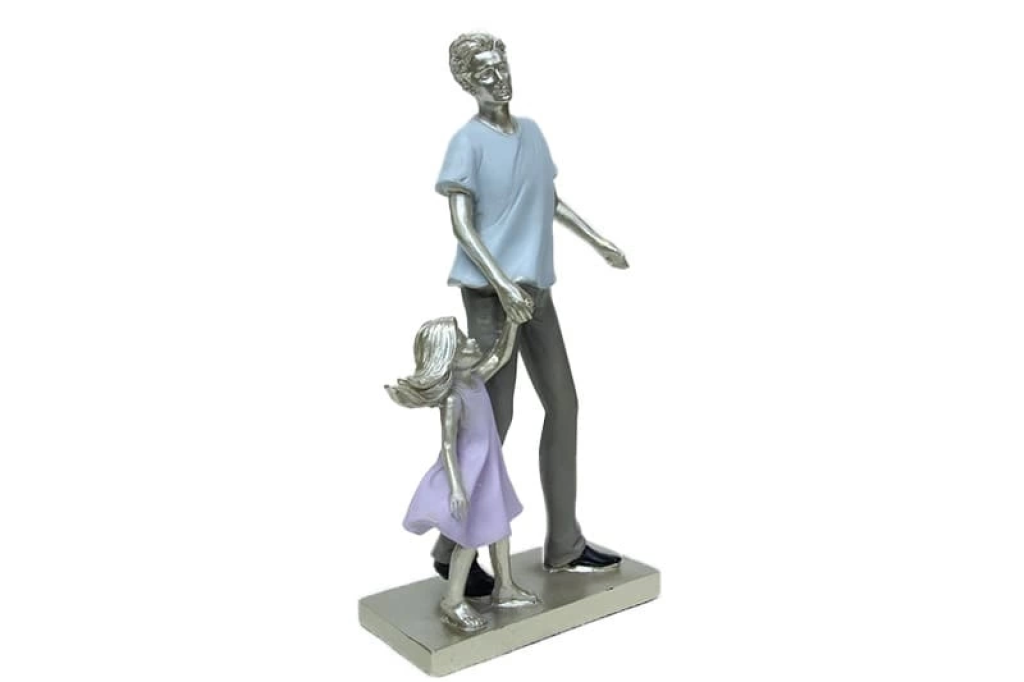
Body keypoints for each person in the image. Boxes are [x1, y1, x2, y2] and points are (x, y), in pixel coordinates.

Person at [431, 32, 629, 595]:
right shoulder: (466, 143)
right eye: (484, 74)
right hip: (491, 296)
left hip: (536, 289)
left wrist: (597, 240)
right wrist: (500, 283)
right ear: (467, 84)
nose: (499, 79)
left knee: (564, 403)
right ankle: (450, 549)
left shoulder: (533, 133)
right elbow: (461, 226)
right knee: (493, 421)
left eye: (501, 66)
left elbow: (548, 199)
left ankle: (564, 543)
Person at [387, 316, 540, 632]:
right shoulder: (454, 397)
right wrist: (457, 488)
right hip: (471, 472)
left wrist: (512, 323)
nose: (471, 342)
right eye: (461, 343)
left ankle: (505, 587)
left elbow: (500, 356)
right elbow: (447, 445)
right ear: (447, 358)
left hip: (489, 466)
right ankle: (453, 600)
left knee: (500, 529)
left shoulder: (475, 380)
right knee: (470, 538)